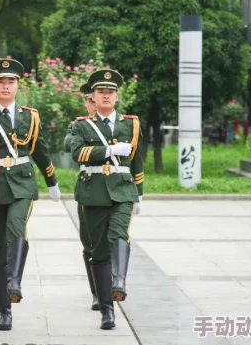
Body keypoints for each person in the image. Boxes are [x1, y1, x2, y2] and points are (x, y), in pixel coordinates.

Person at [0, 58, 61, 331]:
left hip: (23, 184)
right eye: (0, 81)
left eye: (11, 81)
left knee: (16, 227)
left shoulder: (30, 116)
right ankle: (4, 310)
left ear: (18, 85)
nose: (6, 86)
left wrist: (51, 180)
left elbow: (40, 150)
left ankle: (14, 280)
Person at [69, 69, 144, 330]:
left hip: (123, 190)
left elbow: (137, 159)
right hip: (94, 192)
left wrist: (140, 191)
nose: (105, 95)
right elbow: (77, 152)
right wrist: (109, 150)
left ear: (116, 96)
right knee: (99, 251)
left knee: (119, 234)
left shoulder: (131, 123)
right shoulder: (81, 125)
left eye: (110, 92)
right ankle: (106, 310)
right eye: (101, 92)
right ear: (93, 95)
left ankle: (119, 281)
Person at [63, 83, 99, 311]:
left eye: (97, 99)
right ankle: (96, 291)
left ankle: (113, 283)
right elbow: (69, 145)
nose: (95, 104)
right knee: (89, 243)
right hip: (88, 187)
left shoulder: (120, 125)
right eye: (90, 100)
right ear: (86, 102)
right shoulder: (78, 125)